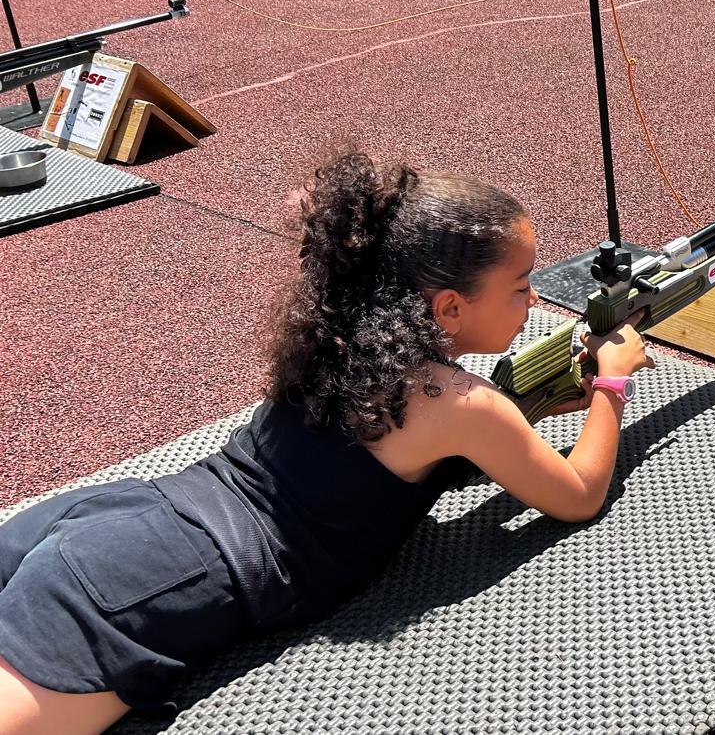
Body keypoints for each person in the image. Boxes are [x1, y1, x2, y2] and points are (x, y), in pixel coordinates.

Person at [0, 152, 654, 734]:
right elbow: (577, 494)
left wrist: (537, 413)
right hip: (151, 581)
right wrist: (612, 382)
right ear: (449, 309)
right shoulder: (456, 402)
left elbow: (411, 454)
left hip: (130, 517)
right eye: (519, 287)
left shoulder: (345, 332)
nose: (533, 297)